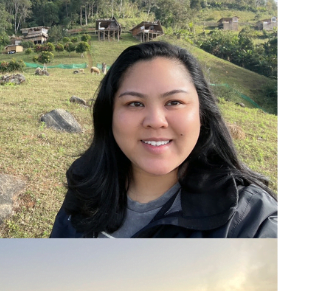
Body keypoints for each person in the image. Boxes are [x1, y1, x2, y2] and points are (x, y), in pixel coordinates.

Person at [50, 41, 277, 238]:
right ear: (109, 114)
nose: (156, 121)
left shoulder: (251, 219)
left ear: (202, 113)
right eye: (135, 104)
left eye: (174, 102)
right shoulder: (85, 182)